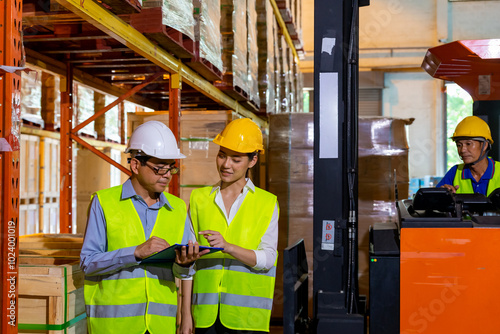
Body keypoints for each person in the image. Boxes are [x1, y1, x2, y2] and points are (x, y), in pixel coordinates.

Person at [80, 120, 205, 334]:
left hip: (160, 326)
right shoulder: (104, 202)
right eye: (159, 168)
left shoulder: (176, 208)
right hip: (114, 326)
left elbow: (181, 272)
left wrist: (185, 264)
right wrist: (135, 252)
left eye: (170, 168)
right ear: (136, 165)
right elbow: (88, 262)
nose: (166, 175)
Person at [180, 118, 279, 334]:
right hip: (205, 316)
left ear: (253, 161)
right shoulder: (199, 199)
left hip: (247, 318)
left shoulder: (267, 202)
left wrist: (228, 247)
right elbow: (188, 262)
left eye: (236, 159)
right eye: (222, 155)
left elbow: (268, 259)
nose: (226, 165)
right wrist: (185, 314)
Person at [437, 115, 500, 195]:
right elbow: (432, 202)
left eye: (468, 144)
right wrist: (442, 194)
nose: (463, 150)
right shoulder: (455, 172)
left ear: (484, 145)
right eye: (459, 145)